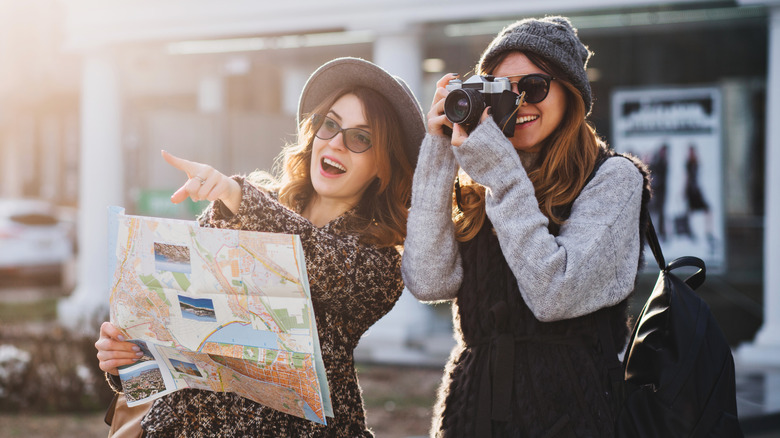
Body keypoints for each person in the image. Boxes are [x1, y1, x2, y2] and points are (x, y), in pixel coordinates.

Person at [95, 57, 425, 437]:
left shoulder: (377, 262)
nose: (335, 142)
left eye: (360, 138)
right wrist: (128, 360)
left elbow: (315, 259)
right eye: (330, 124)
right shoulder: (241, 208)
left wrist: (239, 196)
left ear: (383, 165)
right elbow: (175, 334)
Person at [401, 17, 652, 437]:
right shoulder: (484, 180)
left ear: (571, 93)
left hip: (572, 411)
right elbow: (428, 281)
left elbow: (554, 294)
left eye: (534, 87)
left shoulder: (614, 179)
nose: (519, 103)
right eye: (502, 90)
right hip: (472, 411)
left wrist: (501, 175)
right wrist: (440, 150)